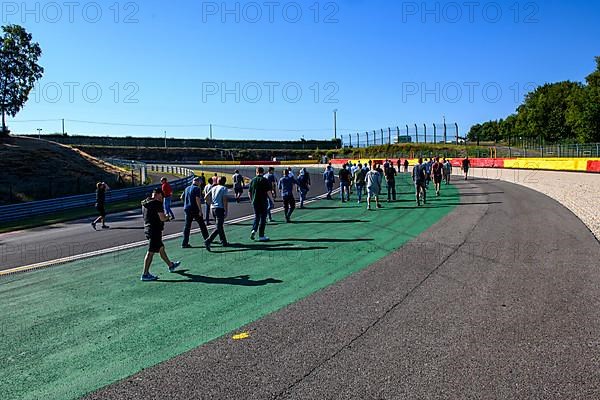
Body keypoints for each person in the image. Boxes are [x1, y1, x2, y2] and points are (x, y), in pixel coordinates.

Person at [141, 188, 180, 281]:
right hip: (155, 230)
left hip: (147, 228)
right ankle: (145, 274)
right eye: (162, 197)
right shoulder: (157, 204)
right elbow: (162, 218)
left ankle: (171, 265)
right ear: (158, 195)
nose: (162, 199)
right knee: (150, 252)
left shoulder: (145, 203)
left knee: (161, 248)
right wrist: (168, 217)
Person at [181, 176, 209, 248]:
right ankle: (207, 239)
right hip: (194, 209)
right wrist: (200, 210)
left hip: (187, 208)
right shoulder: (197, 189)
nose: (200, 184)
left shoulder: (187, 188)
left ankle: (185, 243)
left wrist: (186, 203)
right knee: (202, 225)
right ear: (198, 182)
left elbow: (182, 197)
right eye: (200, 182)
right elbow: (197, 199)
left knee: (187, 226)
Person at [204, 176, 229, 250]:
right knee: (219, 226)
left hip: (213, 208)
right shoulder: (224, 189)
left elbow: (206, 197)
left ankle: (223, 241)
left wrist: (210, 203)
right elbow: (224, 200)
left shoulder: (213, 188)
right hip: (219, 208)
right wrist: (226, 210)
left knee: (219, 226)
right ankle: (208, 240)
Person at [249, 167, 273, 241]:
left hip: (255, 201)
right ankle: (261, 235)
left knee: (256, 216)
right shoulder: (265, 180)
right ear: (263, 172)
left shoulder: (252, 180)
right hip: (263, 201)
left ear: (256, 172)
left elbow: (249, 192)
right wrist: (272, 200)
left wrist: (251, 200)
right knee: (263, 218)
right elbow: (268, 192)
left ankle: (254, 229)